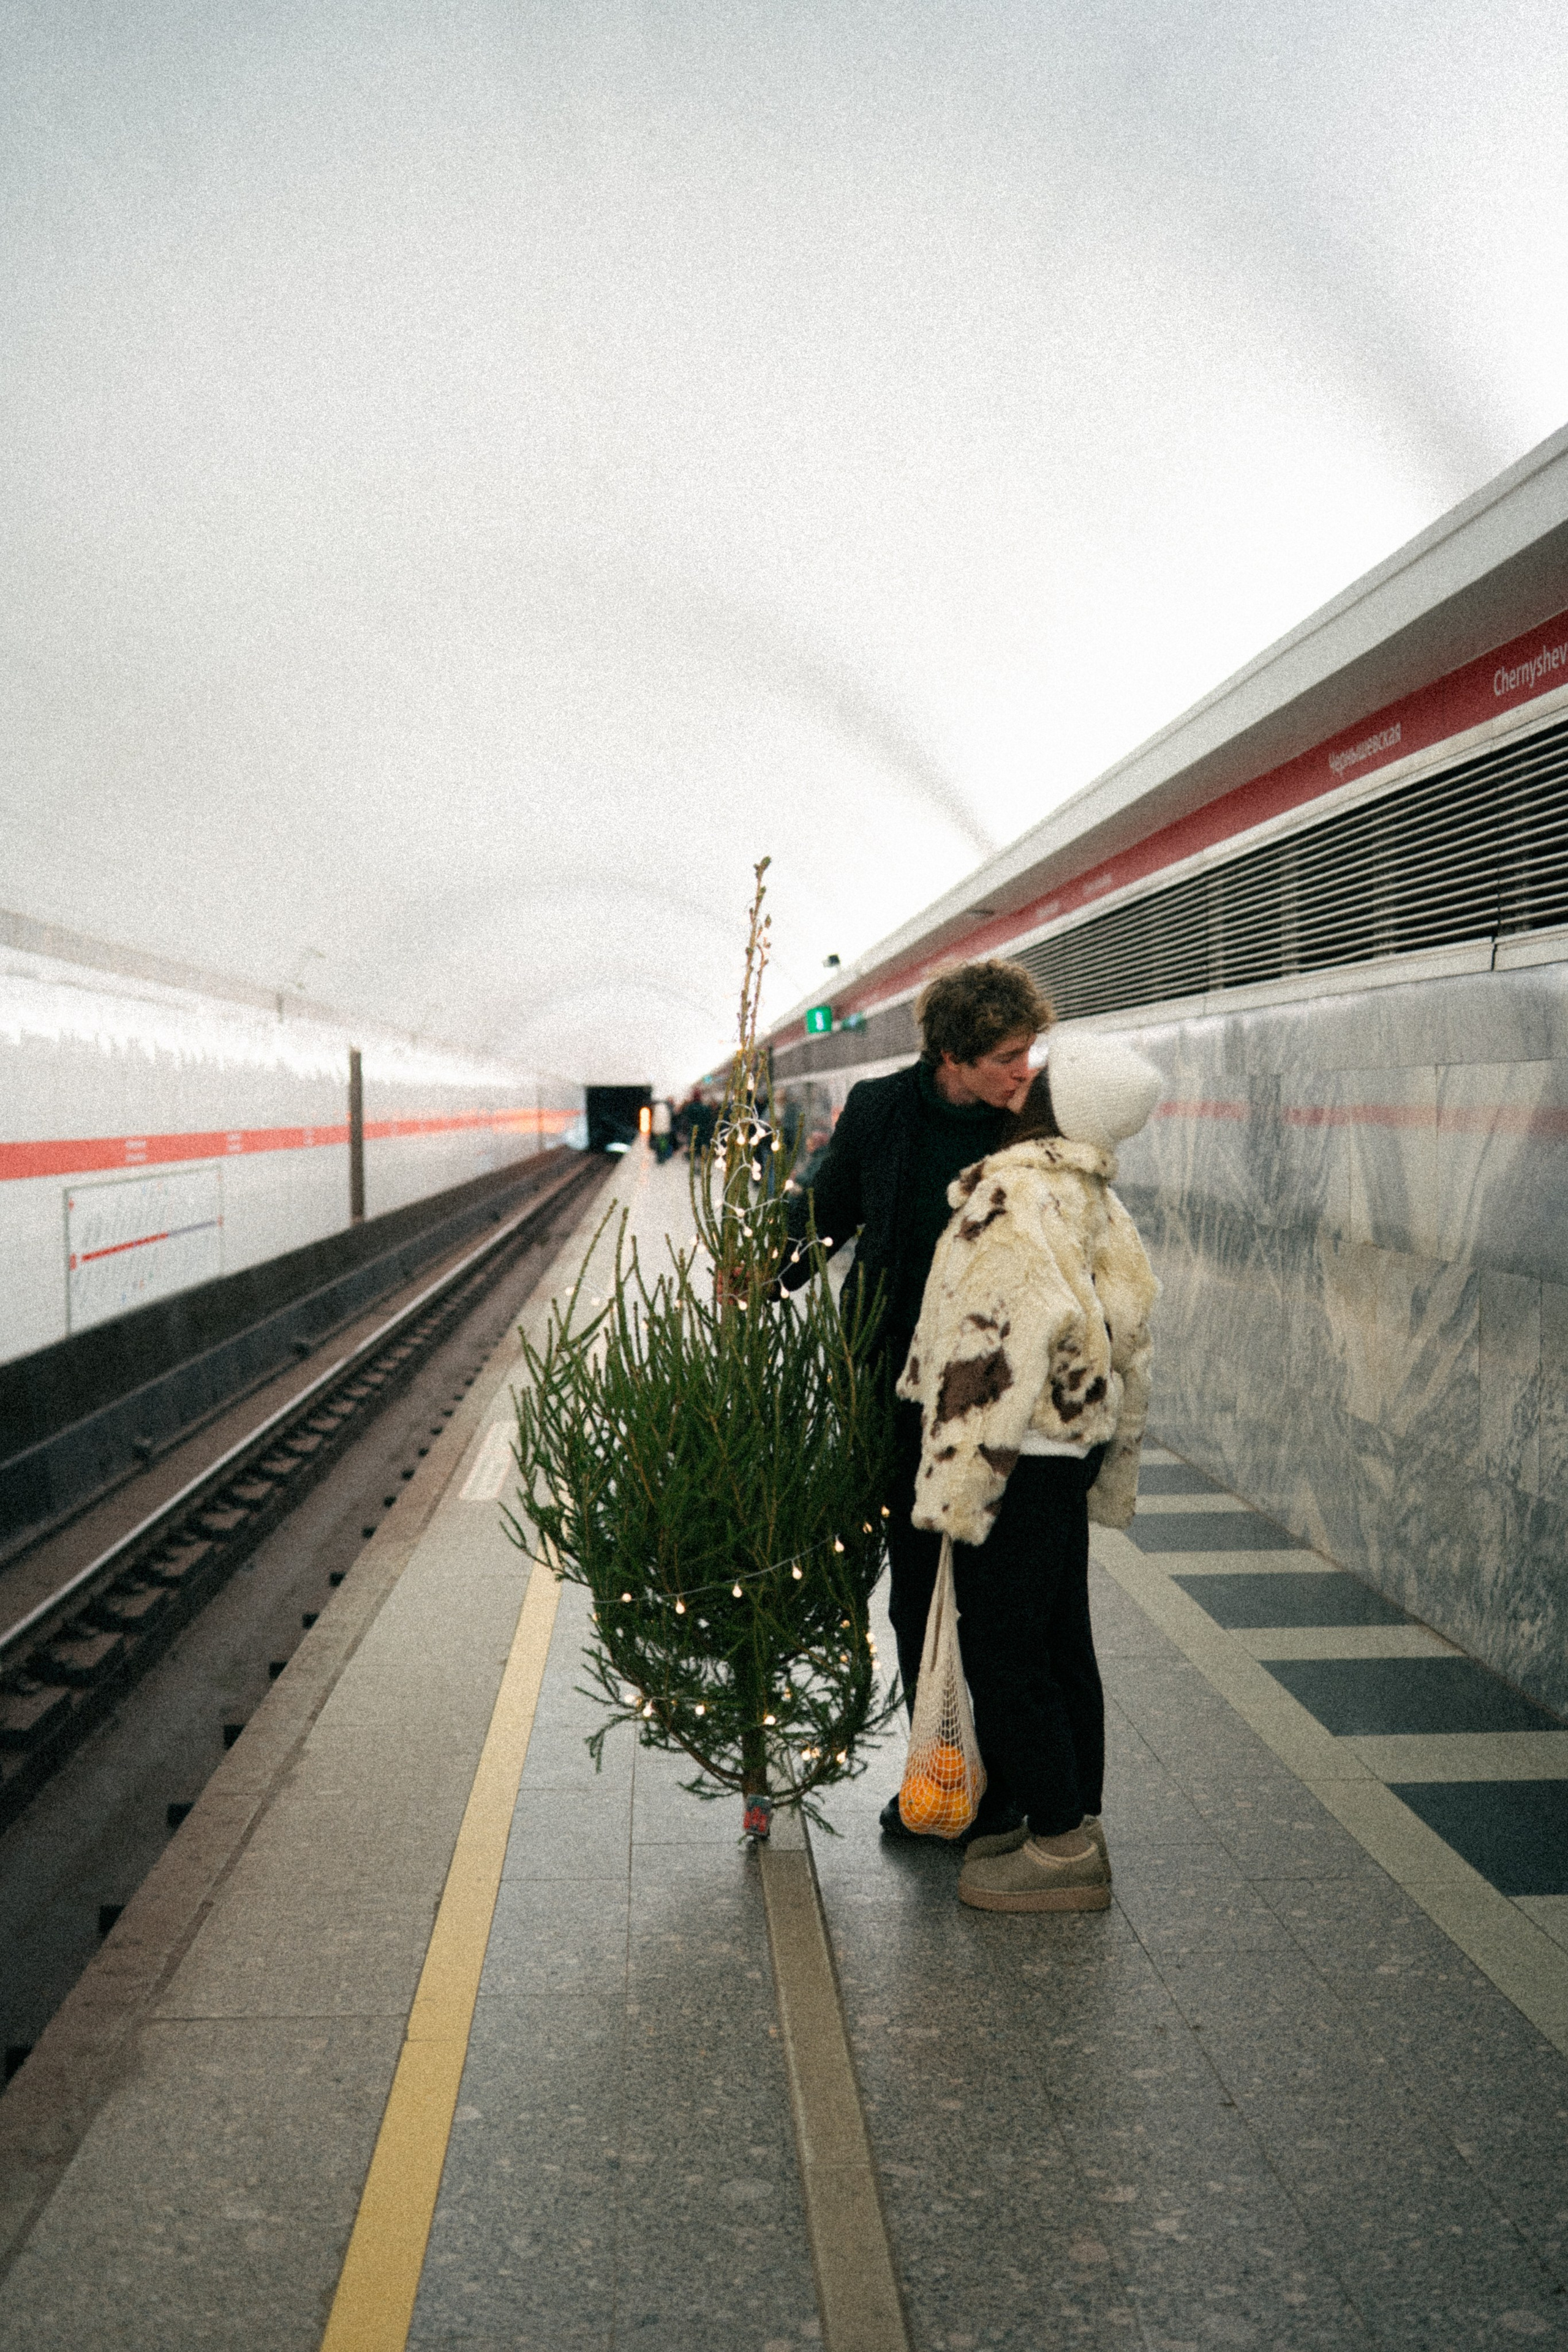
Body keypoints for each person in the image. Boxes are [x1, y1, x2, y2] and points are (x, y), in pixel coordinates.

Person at [780, 959, 1050, 1845]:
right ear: (952, 1056)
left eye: (1028, 1052)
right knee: (914, 1598)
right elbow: (829, 1209)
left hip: (1000, 1405)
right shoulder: (882, 1108)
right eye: (1006, 1056)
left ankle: (1014, 1794)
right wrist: (760, 1270)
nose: (1024, 1070)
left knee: (1001, 1609)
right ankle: (941, 1779)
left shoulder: (1037, 1124)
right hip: (897, 1389)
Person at [894, 1028, 1161, 1911]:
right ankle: (1074, 1814)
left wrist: (958, 1483)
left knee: (1006, 1654)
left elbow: (988, 1348)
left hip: (1010, 1454)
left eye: (1043, 1073)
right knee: (1060, 1641)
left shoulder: (1011, 1192)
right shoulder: (1090, 1193)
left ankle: (1057, 1847)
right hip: (1065, 1453)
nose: (1027, 1076)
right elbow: (1130, 1323)